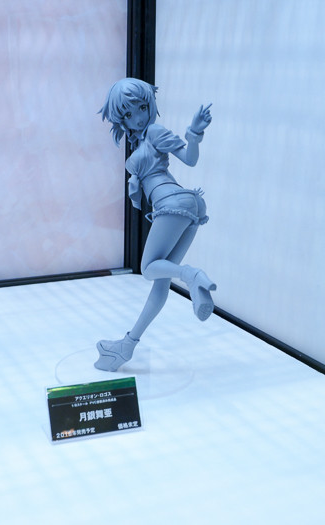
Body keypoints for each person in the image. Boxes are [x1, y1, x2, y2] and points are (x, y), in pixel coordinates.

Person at [95, 78, 216, 372]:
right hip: (186, 204)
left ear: (150, 104)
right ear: (121, 120)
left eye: (142, 107)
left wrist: (195, 132)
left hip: (172, 202)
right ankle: (127, 346)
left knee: (149, 269)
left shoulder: (154, 131)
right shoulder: (142, 140)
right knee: (161, 282)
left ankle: (192, 275)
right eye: (128, 113)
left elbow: (188, 158)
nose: (138, 117)